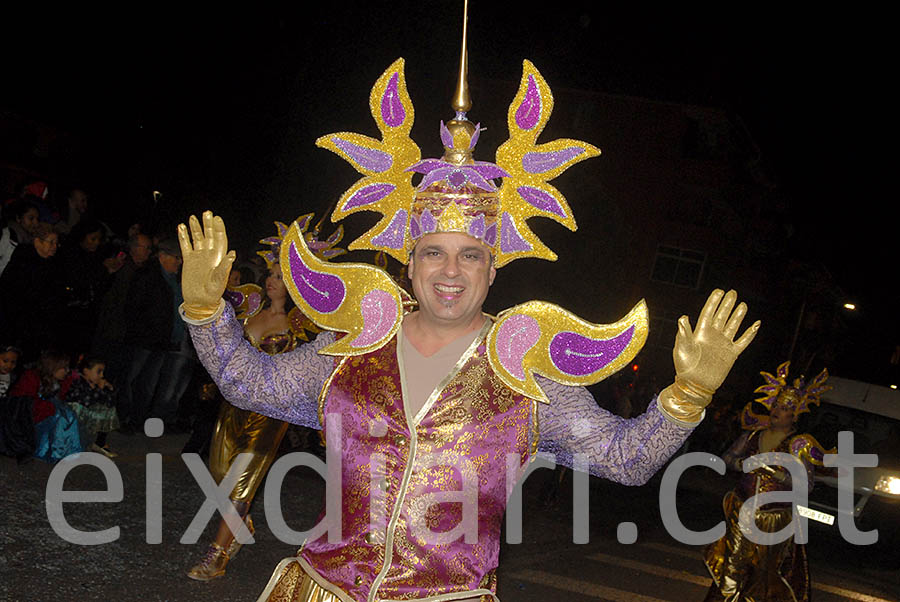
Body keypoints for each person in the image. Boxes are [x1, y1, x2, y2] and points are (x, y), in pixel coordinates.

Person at [179, 54, 761, 602]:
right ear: (411, 262)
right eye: (433, 252)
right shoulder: (351, 347)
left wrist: (689, 395)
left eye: (471, 255)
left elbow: (625, 459)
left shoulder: (523, 374)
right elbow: (246, 383)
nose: (450, 271)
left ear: (494, 266)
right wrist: (207, 314)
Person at [187, 216, 343, 581]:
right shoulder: (248, 312)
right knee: (219, 475)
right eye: (271, 273)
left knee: (239, 481)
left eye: (282, 274)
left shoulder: (307, 326)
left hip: (272, 411)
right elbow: (227, 352)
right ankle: (243, 525)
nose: (272, 279)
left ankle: (218, 552)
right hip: (233, 408)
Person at [703, 361, 832, 602]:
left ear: (794, 414)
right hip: (743, 509)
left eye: (785, 407)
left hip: (776, 518)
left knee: (764, 574)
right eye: (776, 404)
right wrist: (741, 464)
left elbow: (807, 485)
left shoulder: (798, 444)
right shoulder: (753, 435)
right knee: (733, 566)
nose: (777, 409)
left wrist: (780, 475)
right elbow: (727, 458)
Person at [0, 223, 66, 360]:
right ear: (37, 241)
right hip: (18, 325)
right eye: (51, 242)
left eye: (56, 243)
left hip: (40, 326)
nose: (55, 247)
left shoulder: (54, 264)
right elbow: (13, 294)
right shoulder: (22, 260)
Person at [9, 349, 81, 462]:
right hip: (30, 417)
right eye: (64, 368)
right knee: (58, 417)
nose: (67, 371)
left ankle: (66, 450)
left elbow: (60, 397)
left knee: (69, 415)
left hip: (46, 410)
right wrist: (50, 408)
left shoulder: (57, 381)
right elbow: (22, 403)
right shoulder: (31, 377)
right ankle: (47, 450)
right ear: (53, 367)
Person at [67, 356, 120, 458]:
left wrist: (109, 389)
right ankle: (78, 443)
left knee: (108, 410)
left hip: (87, 413)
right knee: (85, 409)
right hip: (75, 416)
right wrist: (99, 389)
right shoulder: (78, 382)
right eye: (98, 372)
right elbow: (86, 402)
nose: (102, 375)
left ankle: (100, 443)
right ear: (86, 371)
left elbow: (108, 402)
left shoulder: (94, 384)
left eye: (102, 372)